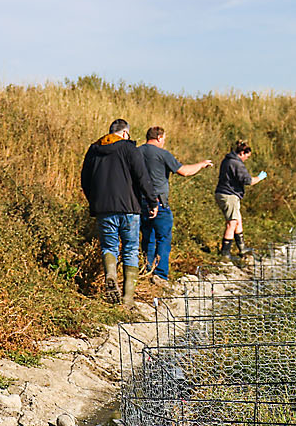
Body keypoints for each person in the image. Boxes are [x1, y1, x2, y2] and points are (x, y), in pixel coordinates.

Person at [80, 118, 153, 306]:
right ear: (124, 133)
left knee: (109, 247)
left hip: (104, 209)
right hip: (129, 208)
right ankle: (128, 300)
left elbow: (85, 180)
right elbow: (142, 176)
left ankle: (111, 275)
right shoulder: (129, 148)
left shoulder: (94, 150)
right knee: (130, 249)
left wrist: (95, 201)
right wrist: (152, 201)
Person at [137, 126, 213, 286]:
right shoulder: (162, 154)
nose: (164, 141)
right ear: (159, 138)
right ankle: (160, 275)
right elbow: (184, 171)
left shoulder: (136, 152)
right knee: (163, 238)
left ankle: (146, 270)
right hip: (159, 203)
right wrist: (201, 164)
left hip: (139, 202)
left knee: (147, 238)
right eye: (163, 138)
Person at [214, 139, 266, 259]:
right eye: (246, 156)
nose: (246, 159)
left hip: (224, 193)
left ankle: (242, 248)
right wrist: (259, 178)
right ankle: (225, 253)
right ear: (242, 152)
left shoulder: (227, 160)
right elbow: (248, 181)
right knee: (231, 223)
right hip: (229, 195)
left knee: (238, 220)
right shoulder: (236, 163)